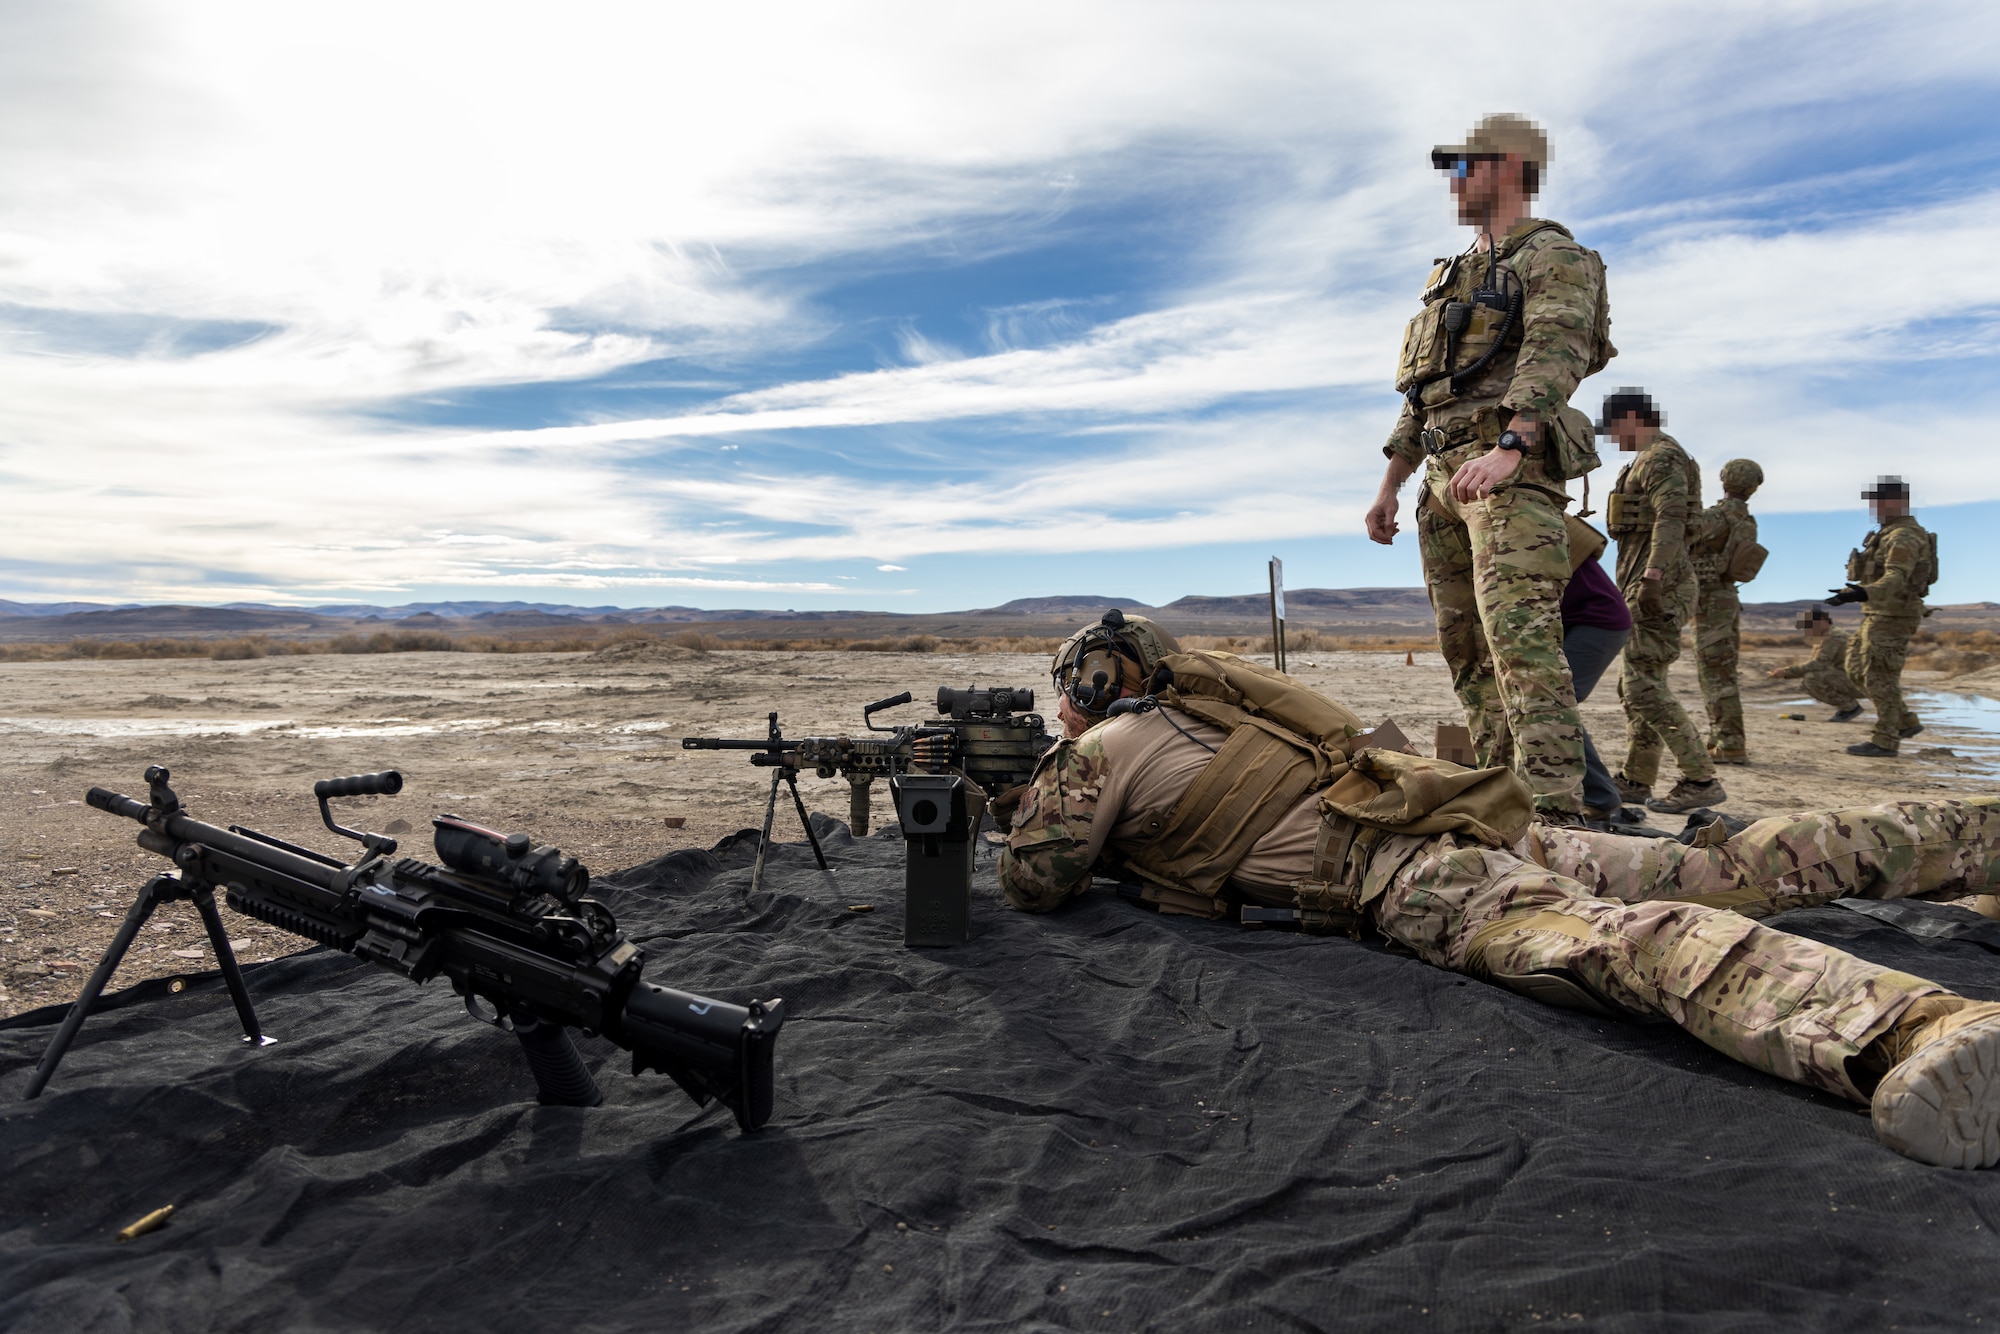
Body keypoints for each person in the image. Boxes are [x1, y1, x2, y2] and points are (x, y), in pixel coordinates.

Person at [1006, 616, 2000, 1169]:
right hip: (1472, 823)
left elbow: (1037, 875)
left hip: (1414, 874)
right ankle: (1970, 837)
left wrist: (1029, 783)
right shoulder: (1223, 713)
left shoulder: (1101, 745)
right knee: (1720, 863)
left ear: (1086, 687)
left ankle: (1912, 1030)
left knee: (1617, 941)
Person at [1363, 113, 1614, 824]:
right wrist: (1391, 483)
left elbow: (1556, 348)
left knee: (1524, 655)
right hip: (1441, 479)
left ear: (1508, 166)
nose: (1455, 181)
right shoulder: (1453, 278)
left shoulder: (1554, 256)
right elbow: (1424, 391)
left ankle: (1562, 825)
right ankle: (1507, 811)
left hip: (1505, 471)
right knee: (1468, 659)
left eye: (1466, 166)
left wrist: (1515, 443)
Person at [1600, 388, 1727, 814]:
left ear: (1633, 418)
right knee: (1638, 683)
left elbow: (1670, 517)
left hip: (1659, 585)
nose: (1614, 439)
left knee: (1643, 686)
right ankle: (1637, 779)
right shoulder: (1644, 459)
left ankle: (1700, 778)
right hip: (1642, 581)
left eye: (1615, 429)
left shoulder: (1662, 458)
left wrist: (1653, 577)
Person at [1830, 477, 1938, 758]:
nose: (1874, 506)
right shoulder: (1886, 533)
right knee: (1855, 668)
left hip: (1894, 614)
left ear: (1897, 501)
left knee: (1880, 676)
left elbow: (1896, 578)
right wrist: (1852, 593)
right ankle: (1905, 721)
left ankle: (1886, 740)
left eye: (1878, 500)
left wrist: (1863, 593)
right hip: (1877, 613)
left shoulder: (1904, 535)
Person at [1693, 458, 1765, 763]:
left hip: (1711, 599)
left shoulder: (1717, 517)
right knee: (1720, 671)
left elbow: (1685, 533)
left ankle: (1730, 743)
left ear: (1724, 481)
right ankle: (1721, 739)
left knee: (1716, 674)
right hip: (1725, 597)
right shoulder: (1747, 520)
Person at [1558, 547, 1632, 824]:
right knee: (1535, 701)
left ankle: (1600, 798)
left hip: (1597, 620)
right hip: (1570, 621)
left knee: (1553, 703)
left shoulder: (1526, 518)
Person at [1768, 607, 1862, 722]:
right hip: (1851, 679)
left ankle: (1850, 707)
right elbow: (1813, 664)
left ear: (1822, 621)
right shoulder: (1823, 637)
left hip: (1860, 682)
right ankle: (1847, 707)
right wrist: (1786, 673)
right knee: (1808, 681)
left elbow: (1818, 665)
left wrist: (1786, 672)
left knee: (1812, 679)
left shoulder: (1834, 636)